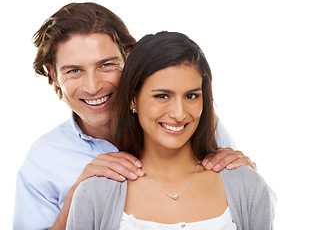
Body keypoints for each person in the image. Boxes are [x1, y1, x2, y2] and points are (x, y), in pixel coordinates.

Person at [14, 3, 257, 230]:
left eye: (106, 65)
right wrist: (77, 198)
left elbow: (252, 208)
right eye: (74, 71)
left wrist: (245, 176)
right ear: (53, 75)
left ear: (129, 58)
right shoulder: (42, 161)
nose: (92, 86)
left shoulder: (185, 121)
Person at [66, 31, 274, 229]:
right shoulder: (94, 193)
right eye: (162, 96)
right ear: (133, 99)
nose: (179, 114)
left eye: (191, 96)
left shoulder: (247, 185)